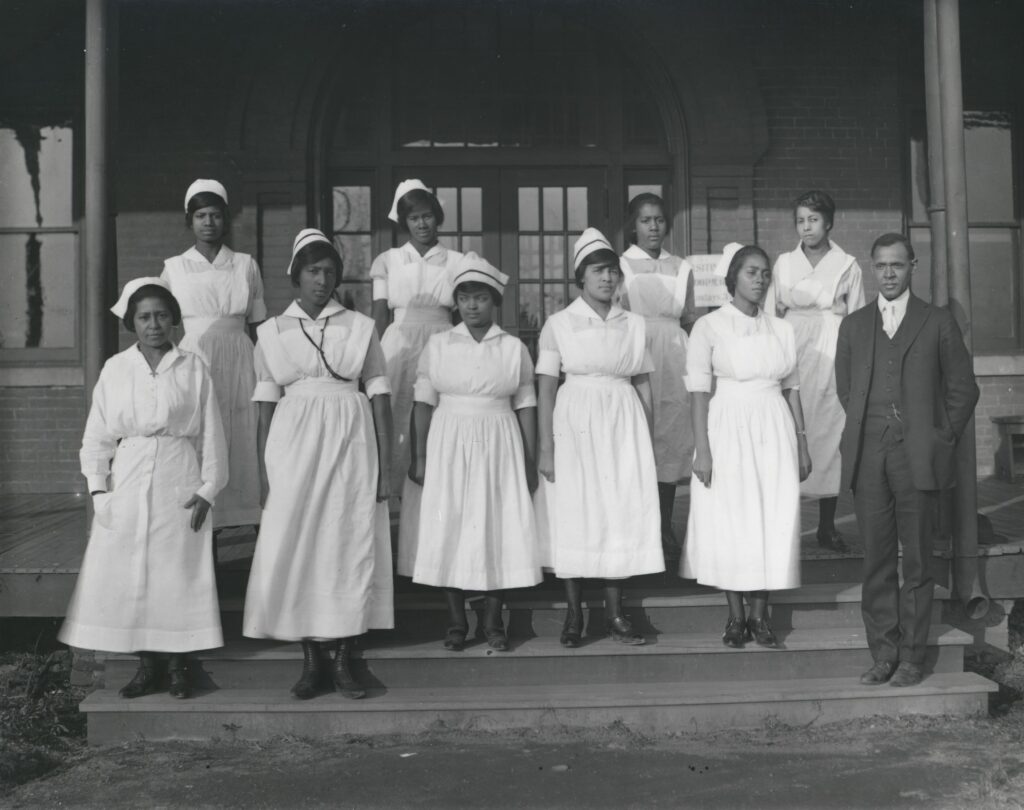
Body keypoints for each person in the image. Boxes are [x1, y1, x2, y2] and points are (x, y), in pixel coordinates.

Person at [243, 229, 394, 700]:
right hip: (292, 443)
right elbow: (265, 404)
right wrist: (264, 472)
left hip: (350, 438)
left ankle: (346, 654)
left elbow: (380, 396)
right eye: (313, 271)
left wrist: (387, 465)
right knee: (301, 543)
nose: (322, 280)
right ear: (295, 275)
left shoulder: (361, 326)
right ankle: (311, 657)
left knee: (346, 538)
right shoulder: (270, 332)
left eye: (330, 271)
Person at [59, 278, 227, 700]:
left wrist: (209, 488)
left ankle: (177, 667)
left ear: (173, 320)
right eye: (145, 317)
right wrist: (99, 491)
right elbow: (96, 436)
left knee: (176, 574)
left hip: (179, 473)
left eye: (162, 316)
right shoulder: (116, 369)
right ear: (132, 323)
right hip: (130, 474)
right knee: (134, 572)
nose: (154, 325)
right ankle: (146, 665)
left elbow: (212, 433)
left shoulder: (193, 367)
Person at [836, 233, 978, 688]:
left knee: (917, 561)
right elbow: (846, 388)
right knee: (876, 559)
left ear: (913, 266)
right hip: (869, 457)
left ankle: (913, 656)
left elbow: (963, 389)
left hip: (917, 457)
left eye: (898, 265)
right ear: (871, 269)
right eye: (881, 266)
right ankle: (883, 653)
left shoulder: (936, 322)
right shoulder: (854, 326)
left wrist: (941, 437)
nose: (889, 274)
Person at [404, 253, 542, 651]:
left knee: (495, 525)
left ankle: (493, 621)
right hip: (448, 441)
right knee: (452, 525)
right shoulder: (439, 345)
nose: (471, 305)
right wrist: (420, 456)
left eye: (479, 297)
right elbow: (423, 403)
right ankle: (455, 620)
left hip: (499, 442)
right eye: (464, 297)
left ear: (493, 301)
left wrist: (530, 462)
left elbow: (526, 408)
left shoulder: (513, 348)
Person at [535, 228, 663, 648]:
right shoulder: (559, 324)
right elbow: (546, 389)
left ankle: (615, 612)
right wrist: (547, 447)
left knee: (618, 511)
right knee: (576, 512)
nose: (607, 279)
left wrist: (646, 434)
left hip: (622, 423)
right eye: (597, 271)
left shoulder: (634, 324)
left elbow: (643, 383)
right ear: (580, 277)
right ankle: (574, 615)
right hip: (576, 422)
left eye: (612, 271)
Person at [682, 244, 811, 648]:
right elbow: (699, 393)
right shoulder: (709, 327)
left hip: (774, 426)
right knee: (731, 519)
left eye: (764, 273)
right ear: (732, 278)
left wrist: (803, 444)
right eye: (751, 272)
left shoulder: (783, 329)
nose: (759, 280)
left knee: (771, 517)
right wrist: (702, 450)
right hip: (727, 426)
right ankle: (736, 616)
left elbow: (792, 390)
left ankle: (760, 615)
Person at [161, 179, 265, 533]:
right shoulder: (174, 268)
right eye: (201, 215)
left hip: (240, 356)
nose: (209, 222)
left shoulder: (245, 265)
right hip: (196, 357)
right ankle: (207, 525)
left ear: (226, 220)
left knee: (241, 434)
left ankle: (247, 517)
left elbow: (259, 325)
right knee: (203, 435)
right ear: (189, 220)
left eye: (216, 215)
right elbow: (164, 327)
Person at [764, 191, 865, 553]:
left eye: (813, 220)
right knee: (788, 433)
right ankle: (787, 529)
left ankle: (826, 526)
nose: (806, 227)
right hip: (792, 348)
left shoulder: (847, 265)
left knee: (828, 436)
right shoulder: (783, 263)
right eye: (801, 220)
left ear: (829, 223)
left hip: (832, 352)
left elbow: (857, 318)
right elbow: (771, 314)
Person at [371, 180, 463, 496]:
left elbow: (463, 313)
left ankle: (436, 493)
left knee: (438, 413)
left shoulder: (456, 261)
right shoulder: (388, 260)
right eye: (414, 218)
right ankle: (391, 493)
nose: (421, 224)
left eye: (427, 216)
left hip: (442, 340)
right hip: (399, 342)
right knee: (396, 412)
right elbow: (380, 313)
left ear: (437, 217)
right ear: (404, 222)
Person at [619, 193, 696, 559]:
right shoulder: (620, 265)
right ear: (633, 225)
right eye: (646, 220)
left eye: (659, 220)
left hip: (674, 355)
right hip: (638, 349)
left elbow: (689, 318)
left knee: (671, 440)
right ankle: (641, 528)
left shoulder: (682, 267)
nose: (653, 227)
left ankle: (665, 525)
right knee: (641, 436)